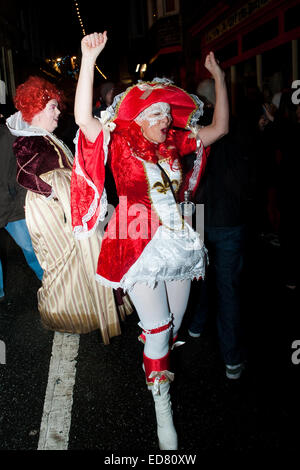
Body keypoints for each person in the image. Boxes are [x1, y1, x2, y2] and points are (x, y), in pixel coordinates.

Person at [70, 31, 228, 450]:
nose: (165, 122)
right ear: (139, 118)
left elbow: (219, 128)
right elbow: (85, 121)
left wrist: (219, 77)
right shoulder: (120, 141)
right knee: (158, 328)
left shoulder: (174, 146)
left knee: (171, 329)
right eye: (158, 116)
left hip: (174, 242)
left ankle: (155, 357)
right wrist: (88, 61)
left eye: (166, 116)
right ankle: (163, 407)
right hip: (133, 238)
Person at [6, 76, 132, 344]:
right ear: (37, 111)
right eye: (52, 107)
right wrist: (53, 192)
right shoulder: (27, 139)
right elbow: (25, 174)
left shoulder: (44, 136)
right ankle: (65, 312)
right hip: (51, 209)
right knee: (63, 261)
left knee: (80, 258)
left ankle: (86, 310)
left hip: (63, 203)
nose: (57, 112)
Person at [188, 79, 255, 380]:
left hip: (201, 215)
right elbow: (253, 171)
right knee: (228, 286)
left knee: (202, 274)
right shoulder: (237, 127)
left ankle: (197, 325)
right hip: (229, 216)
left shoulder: (193, 130)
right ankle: (231, 358)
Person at [0, 103, 43, 302]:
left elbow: (21, 171)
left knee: (32, 248)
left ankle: (55, 285)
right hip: (9, 204)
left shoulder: (9, 136)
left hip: (12, 207)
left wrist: (20, 201)